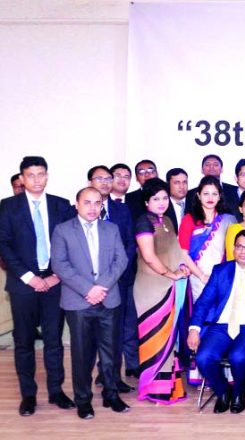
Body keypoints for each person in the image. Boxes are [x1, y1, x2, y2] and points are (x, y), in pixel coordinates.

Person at [0, 156, 76, 416]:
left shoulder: (61, 205)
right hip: (23, 285)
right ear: (21, 178)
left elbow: (69, 244)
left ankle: (56, 391)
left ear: (47, 175)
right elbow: (4, 245)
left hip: (55, 282)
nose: (36, 180)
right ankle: (28, 396)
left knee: (54, 341)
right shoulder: (8, 206)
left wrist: (56, 275)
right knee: (23, 342)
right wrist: (29, 277)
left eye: (40, 174)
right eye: (30, 175)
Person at [50, 187, 130, 419]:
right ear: (77, 204)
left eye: (97, 203)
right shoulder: (63, 230)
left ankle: (111, 394)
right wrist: (88, 289)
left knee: (111, 352)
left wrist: (101, 287)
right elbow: (60, 265)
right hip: (78, 301)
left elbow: (121, 259)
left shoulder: (111, 229)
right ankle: (83, 399)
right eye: (87, 202)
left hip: (108, 299)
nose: (93, 207)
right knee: (82, 354)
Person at [187, 229, 245, 414]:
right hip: (222, 326)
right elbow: (204, 302)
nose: (243, 251)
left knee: (239, 357)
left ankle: (238, 393)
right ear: (233, 248)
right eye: (239, 247)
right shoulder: (220, 271)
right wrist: (194, 329)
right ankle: (223, 392)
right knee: (204, 358)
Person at [133, 178, 204, 404]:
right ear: (146, 202)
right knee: (154, 336)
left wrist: (180, 268)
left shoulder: (167, 222)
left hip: (170, 285)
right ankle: (153, 388)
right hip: (151, 287)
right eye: (156, 199)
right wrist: (171, 274)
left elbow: (174, 252)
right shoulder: (144, 222)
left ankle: (168, 386)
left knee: (169, 337)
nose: (161, 202)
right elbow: (149, 256)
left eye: (164, 198)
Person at [87, 166, 137, 391]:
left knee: (117, 330)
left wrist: (113, 274)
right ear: (90, 181)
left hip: (120, 280)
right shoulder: (76, 211)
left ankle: (114, 377)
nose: (106, 182)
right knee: (93, 333)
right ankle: (98, 375)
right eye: (101, 178)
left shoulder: (122, 210)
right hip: (89, 285)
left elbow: (129, 244)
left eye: (109, 178)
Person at [178, 176, 235, 303]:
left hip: (222, 277)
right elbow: (183, 253)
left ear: (220, 196)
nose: (210, 198)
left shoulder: (228, 220)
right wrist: (201, 276)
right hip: (196, 277)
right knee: (200, 315)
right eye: (206, 193)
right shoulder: (189, 219)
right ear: (198, 195)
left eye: (214, 194)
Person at [165, 168, 189, 235]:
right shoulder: (163, 206)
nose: (182, 186)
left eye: (184, 182)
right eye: (177, 183)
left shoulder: (196, 203)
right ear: (168, 184)